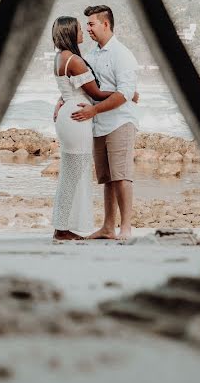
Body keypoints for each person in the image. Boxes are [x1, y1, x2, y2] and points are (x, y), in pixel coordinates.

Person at [50, 16, 139, 241]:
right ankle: (63, 229)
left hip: (70, 115)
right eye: (81, 28)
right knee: (75, 173)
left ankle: (62, 226)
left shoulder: (61, 57)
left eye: (88, 25)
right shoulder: (76, 60)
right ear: (71, 33)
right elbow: (96, 94)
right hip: (77, 118)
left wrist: (61, 100)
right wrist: (127, 94)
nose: (84, 31)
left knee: (71, 173)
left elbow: (71, 87)